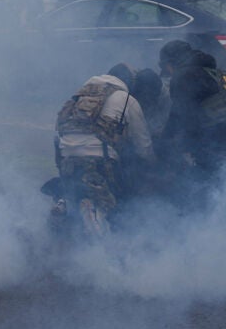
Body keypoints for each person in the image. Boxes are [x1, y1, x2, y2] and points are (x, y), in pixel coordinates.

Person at [49, 67, 155, 237]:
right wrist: (151, 165)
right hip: (102, 162)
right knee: (115, 203)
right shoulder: (126, 99)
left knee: (74, 190)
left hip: (67, 159)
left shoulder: (77, 98)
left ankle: (65, 202)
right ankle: (103, 233)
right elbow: (144, 146)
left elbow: (58, 131)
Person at [158, 39, 226, 206]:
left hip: (213, 151)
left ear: (171, 63)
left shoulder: (183, 76)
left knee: (206, 198)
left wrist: (162, 147)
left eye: (166, 68)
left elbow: (180, 119)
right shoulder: (223, 75)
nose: (168, 73)